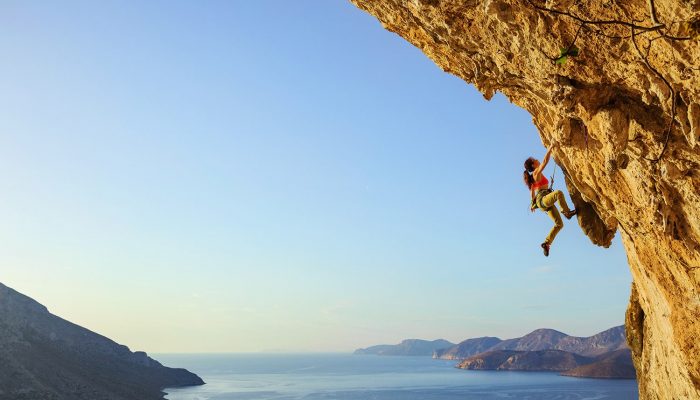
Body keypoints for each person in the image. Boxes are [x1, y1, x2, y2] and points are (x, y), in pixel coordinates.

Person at [523, 144, 577, 256]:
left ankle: (546, 243)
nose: (537, 160)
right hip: (543, 200)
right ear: (533, 164)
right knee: (558, 193)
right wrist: (550, 147)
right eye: (535, 160)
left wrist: (532, 204)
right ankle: (566, 212)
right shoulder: (536, 172)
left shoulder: (535, 176)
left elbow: (532, 191)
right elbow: (544, 161)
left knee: (559, 224)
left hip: (544, 203)